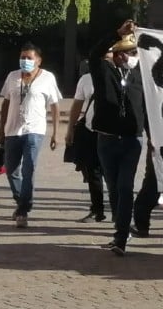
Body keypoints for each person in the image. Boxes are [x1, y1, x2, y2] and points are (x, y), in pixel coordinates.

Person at [90, 21, 148, 255]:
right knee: (113, 188)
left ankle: (121, 237)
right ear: (114, 55)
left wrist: (154, 139)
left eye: (132, 53)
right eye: (122, 52)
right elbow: (94, 54)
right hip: (107, 139)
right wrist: (116, 33)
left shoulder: (142, 77)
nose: (127, 57)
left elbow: (150, 108)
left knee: (125, 187)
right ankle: (120, 229)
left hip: (132, 140)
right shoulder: (104, 71)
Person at [0, 43, 61, 228]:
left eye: (29, 58)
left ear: (38, 60)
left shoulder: (47, 78)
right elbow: (6, 103)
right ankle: (22, 201)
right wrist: (1, 130)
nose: (25, 61)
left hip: (35, 130)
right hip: (12, 130)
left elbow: (55, 106)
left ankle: (23, 211)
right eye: (22, 57)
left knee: (29, 168)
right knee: (11, 170)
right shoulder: (12, 76)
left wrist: (56, 133)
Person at [66, 59, 105, 222]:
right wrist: (70, 128)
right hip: (91, 131)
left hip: (118, 134)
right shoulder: (87, 79)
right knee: (93, 172)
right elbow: (77, 104)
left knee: (117, 176)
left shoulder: (127, 77)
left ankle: (120, 213)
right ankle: (97, 209)